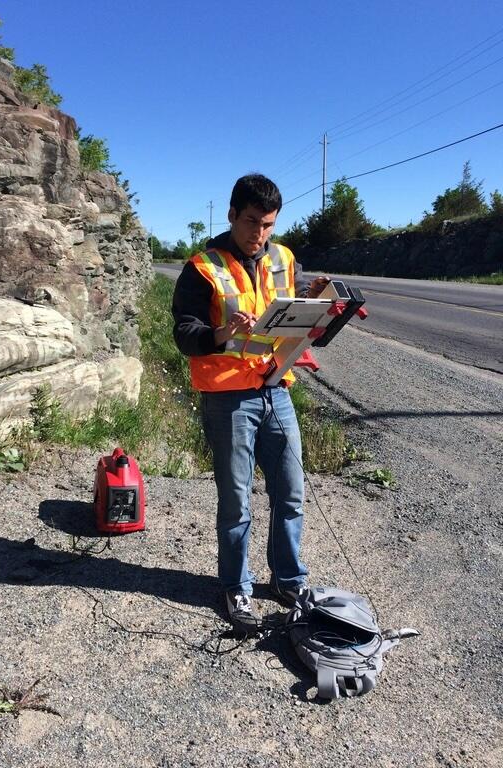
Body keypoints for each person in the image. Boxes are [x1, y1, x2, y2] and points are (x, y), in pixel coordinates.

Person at [172, 174, 328, 634]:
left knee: (290, 491)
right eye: (252, 222)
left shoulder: (282, 257)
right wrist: (222, 334)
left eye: (268, 225)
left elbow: (290, 312)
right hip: (227, 398)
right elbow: (184, 333)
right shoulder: (202, 266)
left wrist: (315, 301)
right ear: (232, 214)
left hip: (276, 387)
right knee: (237, 499)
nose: (260, 234)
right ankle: (236, 586)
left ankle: (288, 580)